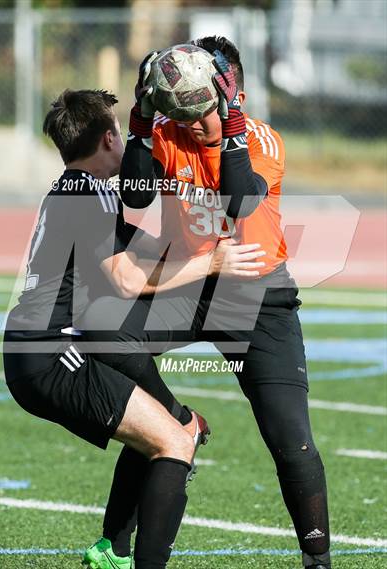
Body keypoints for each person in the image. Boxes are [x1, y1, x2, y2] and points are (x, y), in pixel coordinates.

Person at [88, 37, 331, 569]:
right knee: (113, 346)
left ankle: (319, 560)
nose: (194, 122)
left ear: (230, 92)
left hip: (257, 297)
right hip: (190, 285)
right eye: (187, 111)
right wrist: (141, 122)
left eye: (206, 108)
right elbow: (134, 196)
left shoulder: (262, 139)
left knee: (291, 440)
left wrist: (232, 121)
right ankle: (116, 543)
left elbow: (241, 200)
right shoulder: (170, 131)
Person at [3, 88, 264, 569]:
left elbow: (136, 252)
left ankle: (112, 551)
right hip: (51, 356)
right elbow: (125, 280)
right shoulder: (84, 195)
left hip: (50, 347)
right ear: (108, 138)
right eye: (122, 133)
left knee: (165, 432)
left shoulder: (81, 187)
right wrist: (212, 262)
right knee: (174, 441)